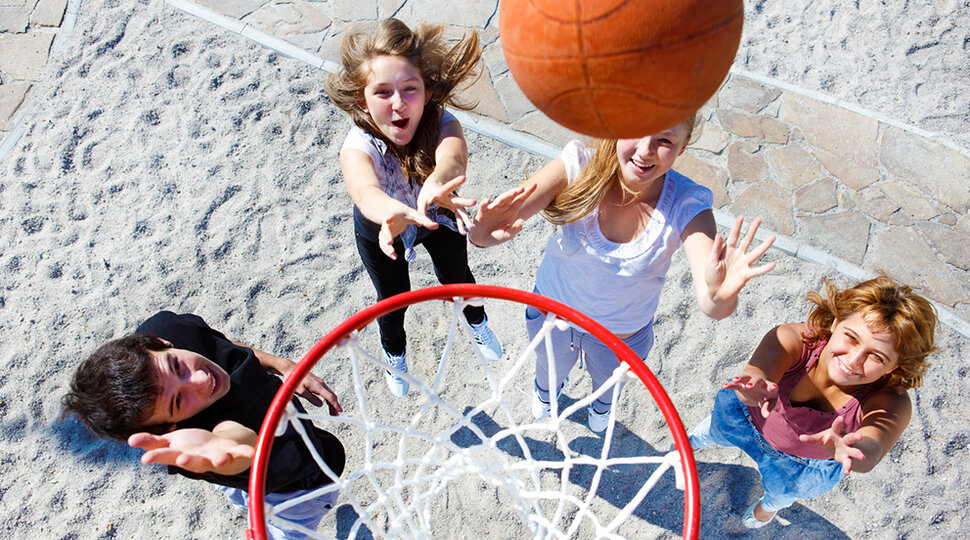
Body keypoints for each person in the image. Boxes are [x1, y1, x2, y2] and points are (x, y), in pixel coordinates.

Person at [469, 116, 776, 432]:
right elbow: (489, 232)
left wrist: (720, 295)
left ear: (683, 146)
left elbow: (713, 305)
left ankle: (601, 407)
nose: (646, 150)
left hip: (620, 337)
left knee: (607, 385)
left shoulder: (687, 203)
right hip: (552, 315)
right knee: (549, 367)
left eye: (665, 141)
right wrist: (481, 232)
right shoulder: (578, 165)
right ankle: (547, 393)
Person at [324, 18, 501, 398]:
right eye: (383, 92)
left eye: (409, 89)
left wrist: (439, 181)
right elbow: (364, 189)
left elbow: (452, 158)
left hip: (436, 212)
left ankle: (477, 320)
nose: (399, 103)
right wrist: (389, 210)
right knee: (392, 298)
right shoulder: (358, 145)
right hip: (384, 229)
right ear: (362, 100)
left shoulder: (442, 122)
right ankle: (395, 354)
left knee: (457, 275)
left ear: (428, 91)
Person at [62, 311, 345, 539]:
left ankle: (239, 495)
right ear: (169, 428)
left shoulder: (169, 329)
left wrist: (281, 365)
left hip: (253, 469)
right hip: (293, 493)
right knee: (286, 529)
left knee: (237, 493)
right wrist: (221, 448)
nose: (200, 380)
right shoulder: (200, 443)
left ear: (162, 343)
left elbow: (225, 348)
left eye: (177, 367)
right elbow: (238, 442)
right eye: (178, 401)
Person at [689, 277, 938, 528]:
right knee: (712, 431)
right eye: (852, 337)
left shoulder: (891, 401)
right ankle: (690, 444)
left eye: (876, 356)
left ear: (895, 365)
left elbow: (872, 447)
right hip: (745, 420)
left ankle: (767, 508)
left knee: (780, 494)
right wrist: (753, 391)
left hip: (799, 465)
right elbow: (754, 379)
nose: (853, 360)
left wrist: (854, 450)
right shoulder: (795, 338)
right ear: (837, 322)